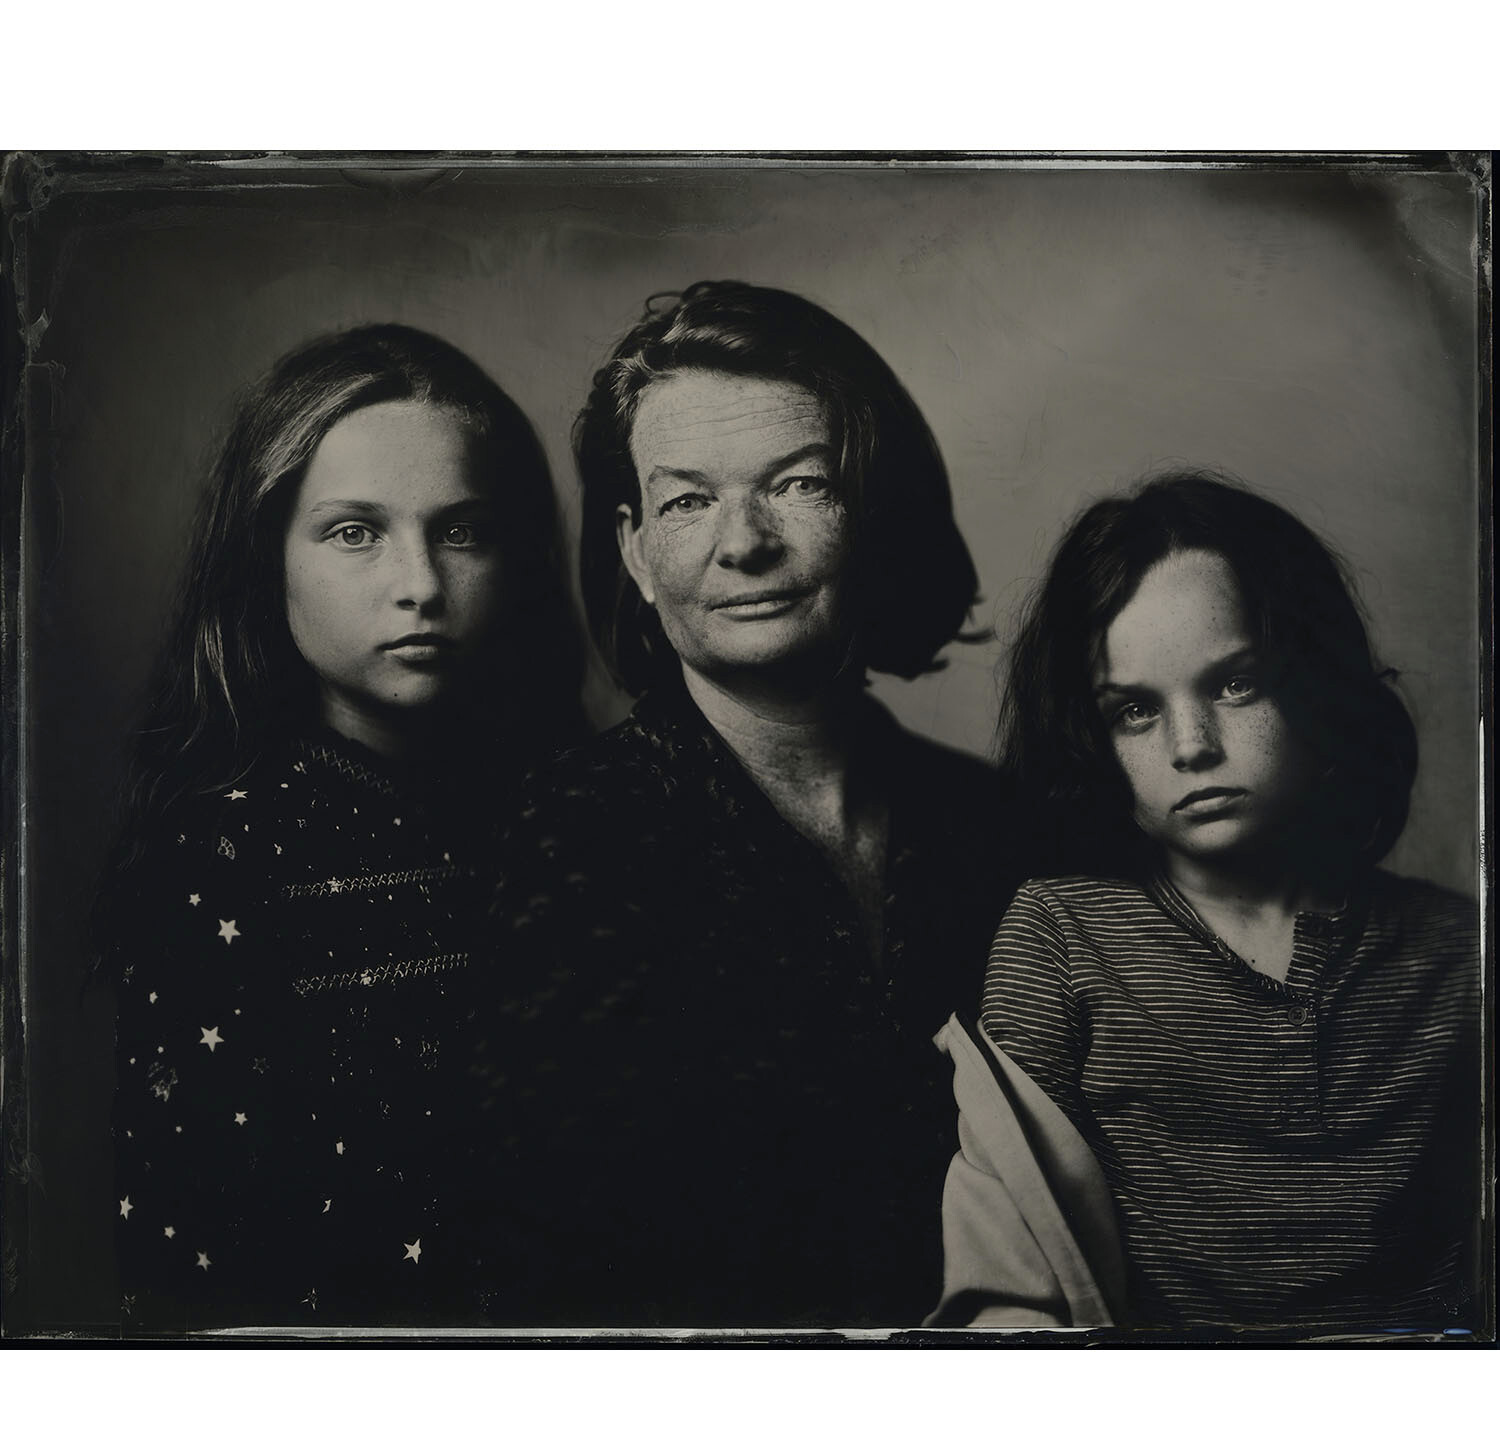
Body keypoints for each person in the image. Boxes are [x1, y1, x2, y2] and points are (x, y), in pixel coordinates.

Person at [473, 281, 1020, 1328]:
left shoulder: (999, 825)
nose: (745, 542)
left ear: (875, 508)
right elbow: (567, 1271)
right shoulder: (566, 842)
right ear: (633, 550)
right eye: (686, 500)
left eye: (800, 484)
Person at [98, 324, 583, 1331]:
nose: (419, 584)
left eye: (461, 531)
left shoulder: (579, 816)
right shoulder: (217, 864)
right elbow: (198, 1279)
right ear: (265, 554)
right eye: (355, 531)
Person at [932, 474, 1480, 1331]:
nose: (1193, 747)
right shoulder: (1062, 934)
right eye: (1135, 711)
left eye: (1235, 685)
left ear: (1314, 679)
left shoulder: (1459, 953)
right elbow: (1010, 1275)